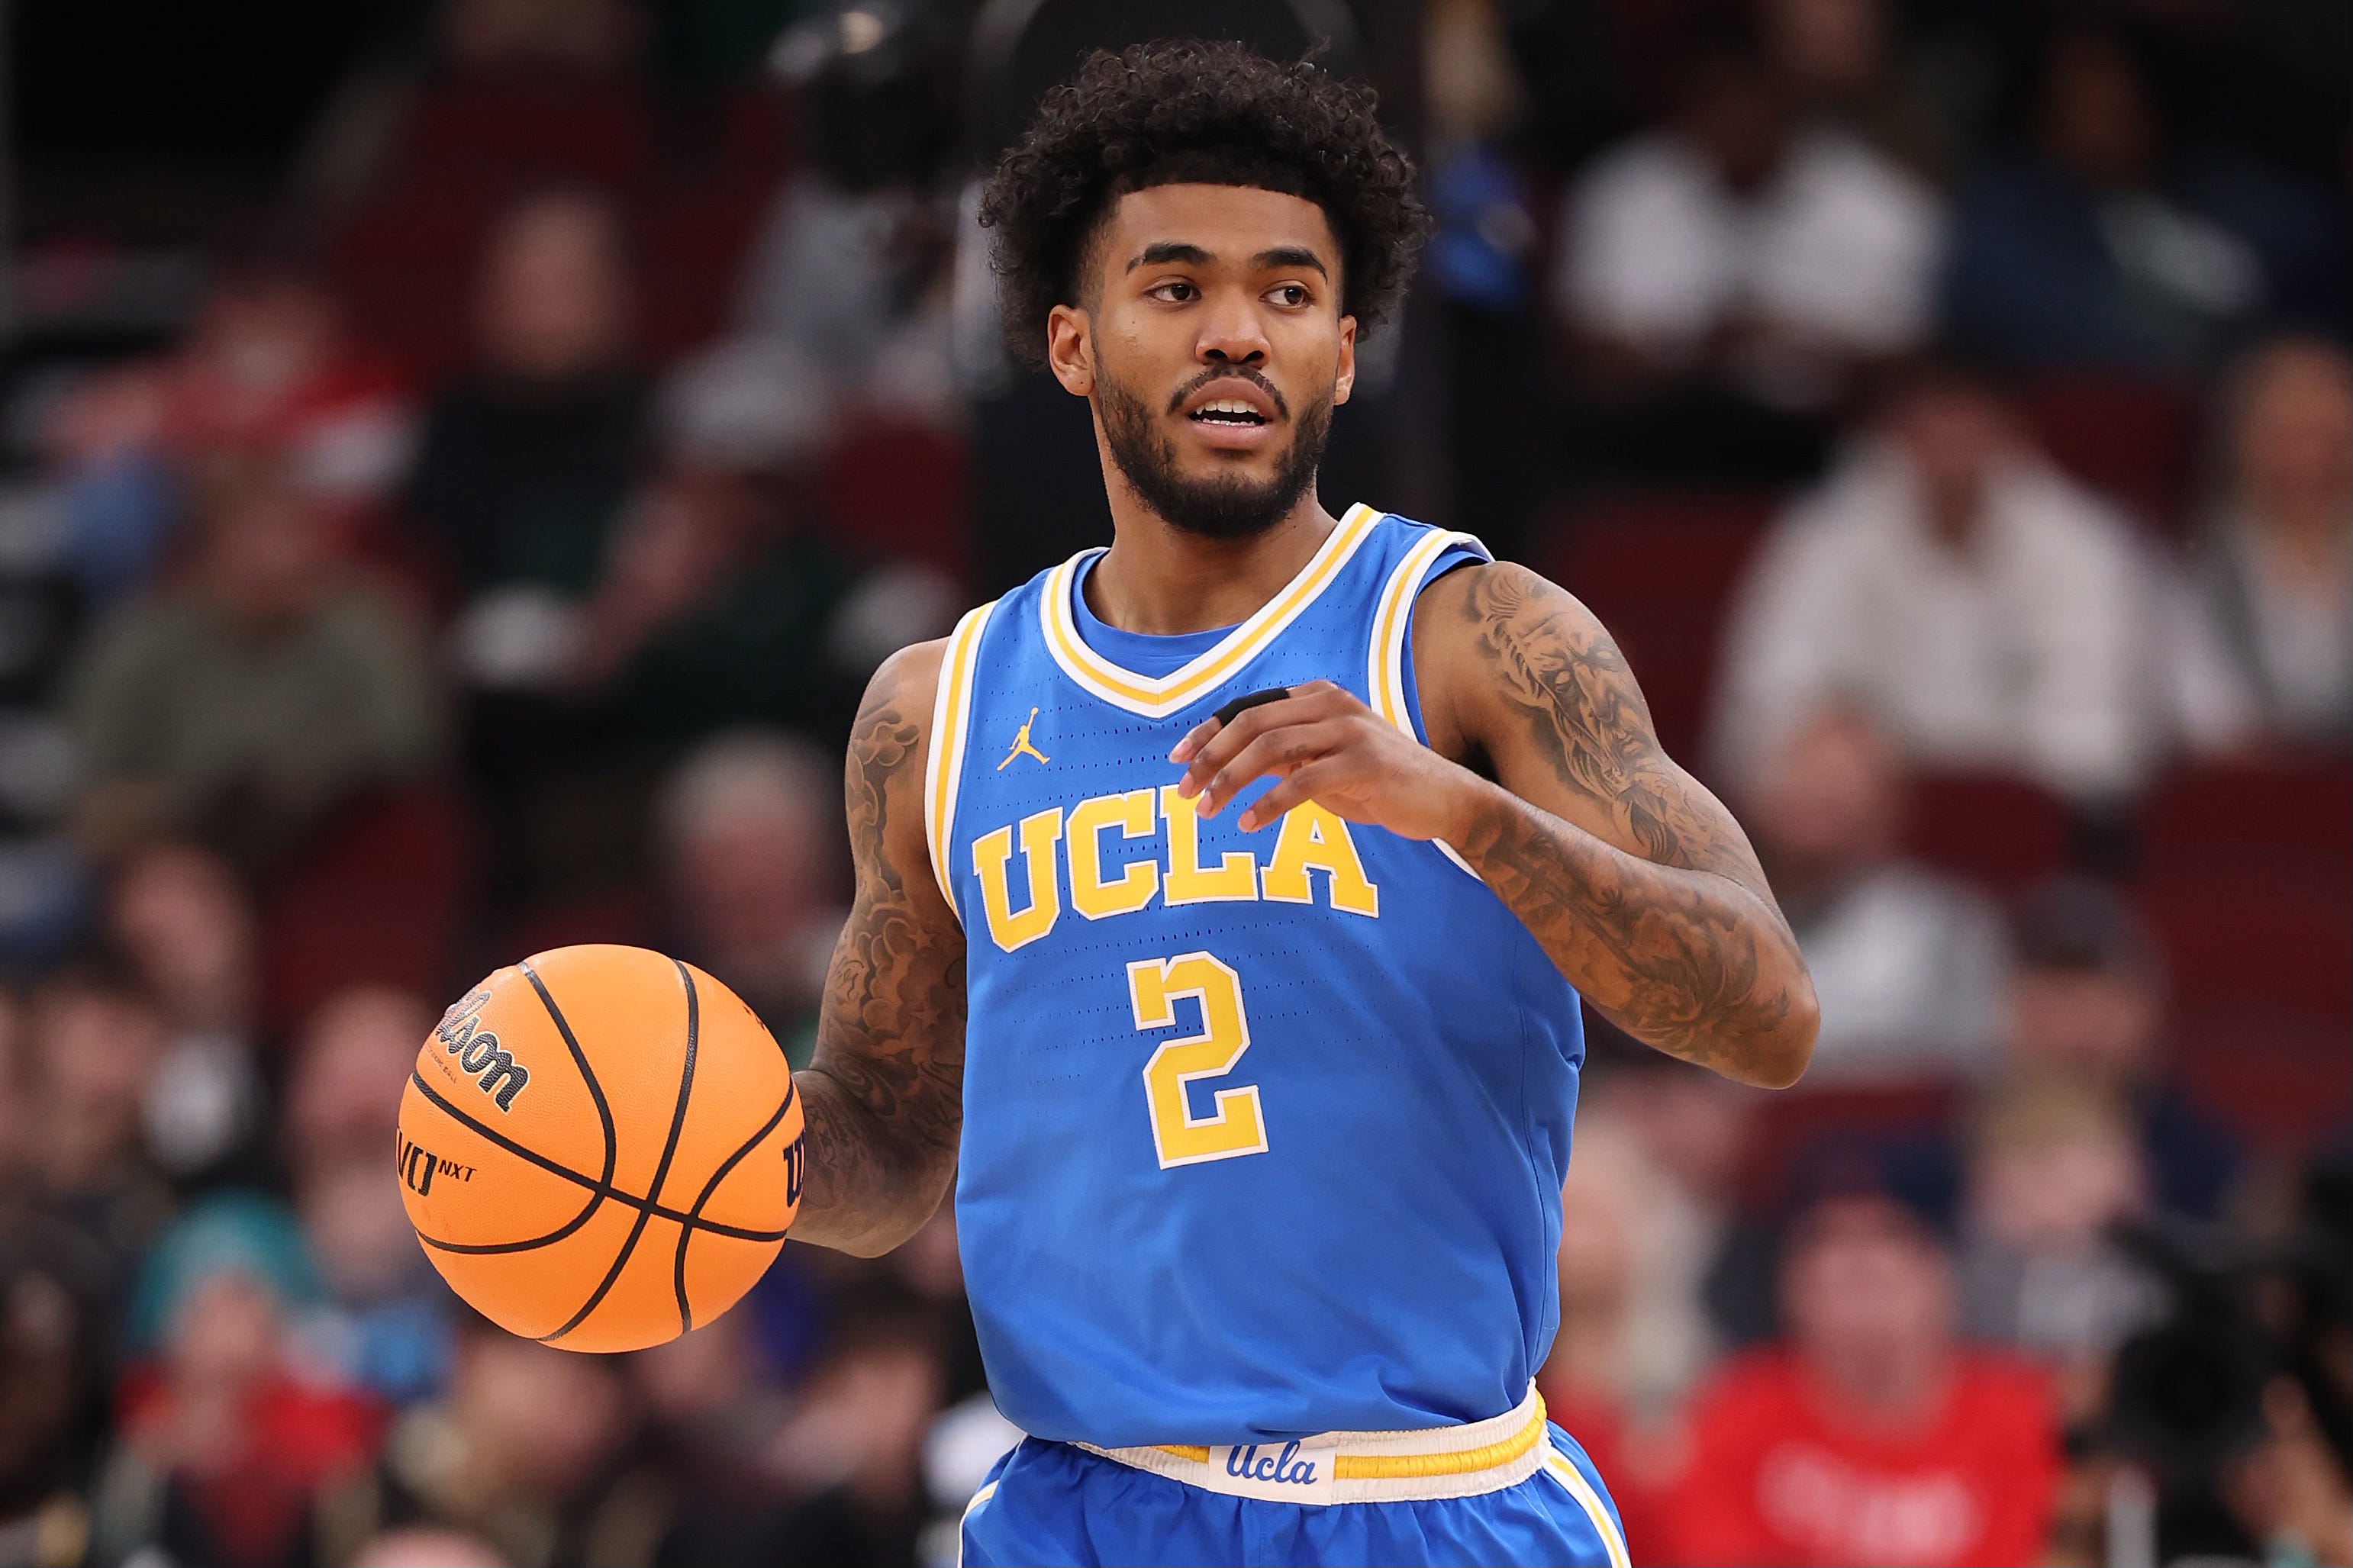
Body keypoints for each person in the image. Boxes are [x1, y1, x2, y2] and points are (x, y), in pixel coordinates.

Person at [783, 41, 1820, 1568]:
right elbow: (883, 1141)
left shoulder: (1469, 637)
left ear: (1341, 351)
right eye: (1174, 287)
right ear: (1069, 341)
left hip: (1423, 1500)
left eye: (1285, 293)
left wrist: (1464, 816)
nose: (1235, 332)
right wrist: (710, 1158)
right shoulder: (935, 710)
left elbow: (1767, 1014)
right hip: (1082, 1505)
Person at [1711, 359, 2173, 801]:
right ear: (1892, 436)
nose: (1950, 455)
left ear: (2009, 435)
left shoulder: (2083, 545)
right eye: (1930, 433)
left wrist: (1978, 793)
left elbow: (2097, 735)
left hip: (2034, 820)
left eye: (1967, 432)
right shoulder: (1824, 538)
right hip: (1864, 824)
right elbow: (1774, 700)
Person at [1656, 1177, 2061, 1567]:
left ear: (1943, 1275)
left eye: (1891, 1236)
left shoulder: (2024, 1415)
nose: (1858, 1256)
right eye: (1823, 1240)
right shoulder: (1733, 1410)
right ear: (1791, 1285)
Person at [1742, 706, 2010, 1081]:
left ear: (1890, 807)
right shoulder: (1696, 914)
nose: (1818, 793)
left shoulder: (1945, 928)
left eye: (1839, 784)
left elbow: (1973, 1076)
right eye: (1804, 775)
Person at [2190, 336, 2353, 745]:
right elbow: (2208, 718)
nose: (2308, 460)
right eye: (2285, 438)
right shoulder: (2197, 561)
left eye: (2329, 438)